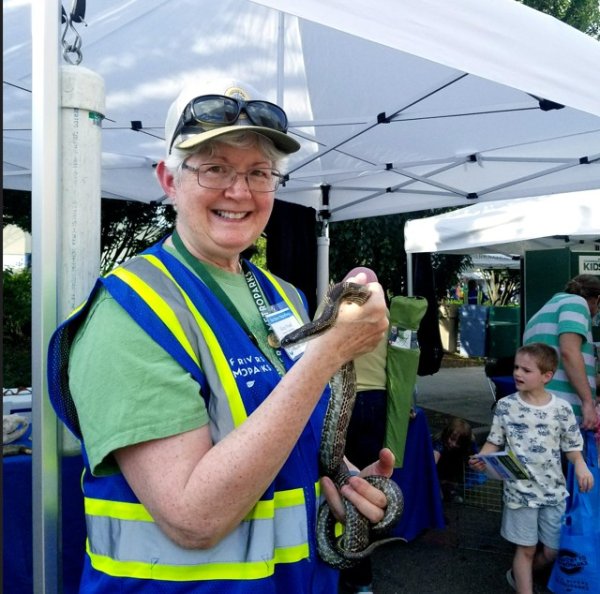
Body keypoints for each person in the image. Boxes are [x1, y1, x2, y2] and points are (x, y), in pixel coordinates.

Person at [47, 78, 394, 593]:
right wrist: (328, 355)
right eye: (214, 169)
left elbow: (290, 434)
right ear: (169, 180)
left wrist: (343, 482)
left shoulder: (285, 297)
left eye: (259, 172)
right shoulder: (128, 313)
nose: (240, 191)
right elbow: (194, 518)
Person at [469, 343, 594, 594]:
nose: (517, 373)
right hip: (520, 494)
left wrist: (581, 466)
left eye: (526, 370)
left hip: (553, 493)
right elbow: (494, 440)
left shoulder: (561, 409)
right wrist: (482, 457)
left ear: (547, 376)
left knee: (553, 550)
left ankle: (517, 576)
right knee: (525, 549)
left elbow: (572, 447)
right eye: (516, 367)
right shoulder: (506, 406)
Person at [333, 267, 389, 594]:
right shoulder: (383, 315)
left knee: (340, 480)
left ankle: (348, 566)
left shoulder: (334, 306)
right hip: (376, 401)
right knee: (363, 484)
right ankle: (361, 578)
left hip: (343, 399)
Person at [522, 274, 600, 431]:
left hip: (537, 409)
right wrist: (587, 402)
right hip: (562, 414)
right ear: (597, 299)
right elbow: (569, 352)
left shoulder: (539, 315)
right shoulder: (577, 303)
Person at [432, 417, 479, 502]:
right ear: (447, 433)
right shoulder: (439, 440)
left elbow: (476, 457)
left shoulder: (469, 442)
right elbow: (432, 462)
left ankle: (452, 489)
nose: (453, 444)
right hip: (440, 465)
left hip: (456, 465)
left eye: (459, 443)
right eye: (452, 439)